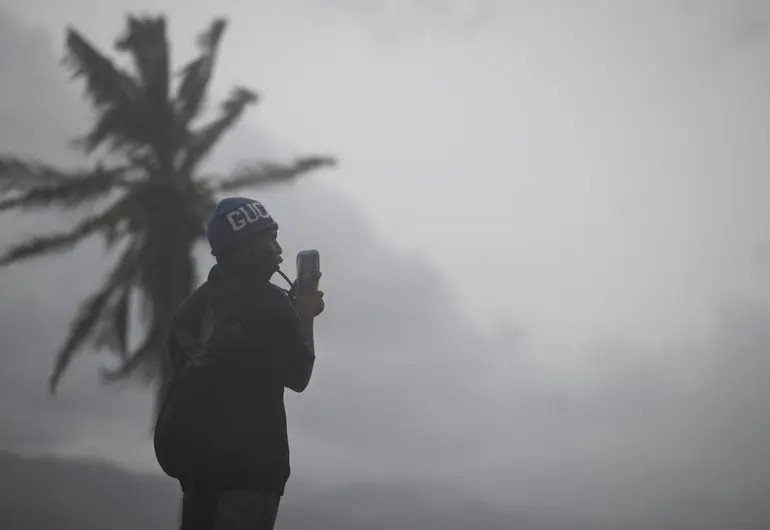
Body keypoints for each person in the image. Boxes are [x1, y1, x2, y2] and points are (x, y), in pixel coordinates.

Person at [156, 197, 324, 530]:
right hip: (249, 476)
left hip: (196, 473)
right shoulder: (270, 304)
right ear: (245, 248)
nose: (279, 251)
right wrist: (304, 316)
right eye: (270, 240)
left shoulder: (192, 308)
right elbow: (299, 374)